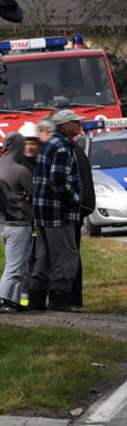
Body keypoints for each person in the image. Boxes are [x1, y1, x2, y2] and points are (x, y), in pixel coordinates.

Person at [29, 109, 85, 312]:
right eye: (74, 121)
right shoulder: (62, 146)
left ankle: (36, 299)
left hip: (43, 211)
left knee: (43, 255)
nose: (79, 124)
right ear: (64, 126)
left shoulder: (49, 143)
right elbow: (59, 181)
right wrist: (75, 199)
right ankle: (59, 300)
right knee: (65, 254)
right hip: (59, 212)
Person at [0, 126, 36, 312]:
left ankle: (14, 302)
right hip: (18, 223)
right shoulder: (21, 171)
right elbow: (35, 194)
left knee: (18, 265)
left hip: (3, 224)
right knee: (15, 267)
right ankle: (3, 300)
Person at [70, 126, 94, 309]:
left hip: (69, 213)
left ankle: (72, 297)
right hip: (76, 211)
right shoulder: (75, 149)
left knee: (69, 254)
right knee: (72, 253)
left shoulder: (70, 151)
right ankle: (75, 298)